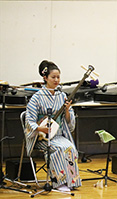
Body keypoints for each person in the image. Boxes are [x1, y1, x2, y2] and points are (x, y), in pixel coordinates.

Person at [25, 60, 81, 191]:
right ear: (45, 78)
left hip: (58, 134)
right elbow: (29, 120)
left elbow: (69, 121)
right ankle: (58, 182)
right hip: (41, 137)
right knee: (59, 148)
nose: (56, 80)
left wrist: (67, 110)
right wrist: (40, 128)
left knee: (70, 148)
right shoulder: (37, 97)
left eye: (58, 77)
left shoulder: (62, 96)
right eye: (53, 77)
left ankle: (71, 181)